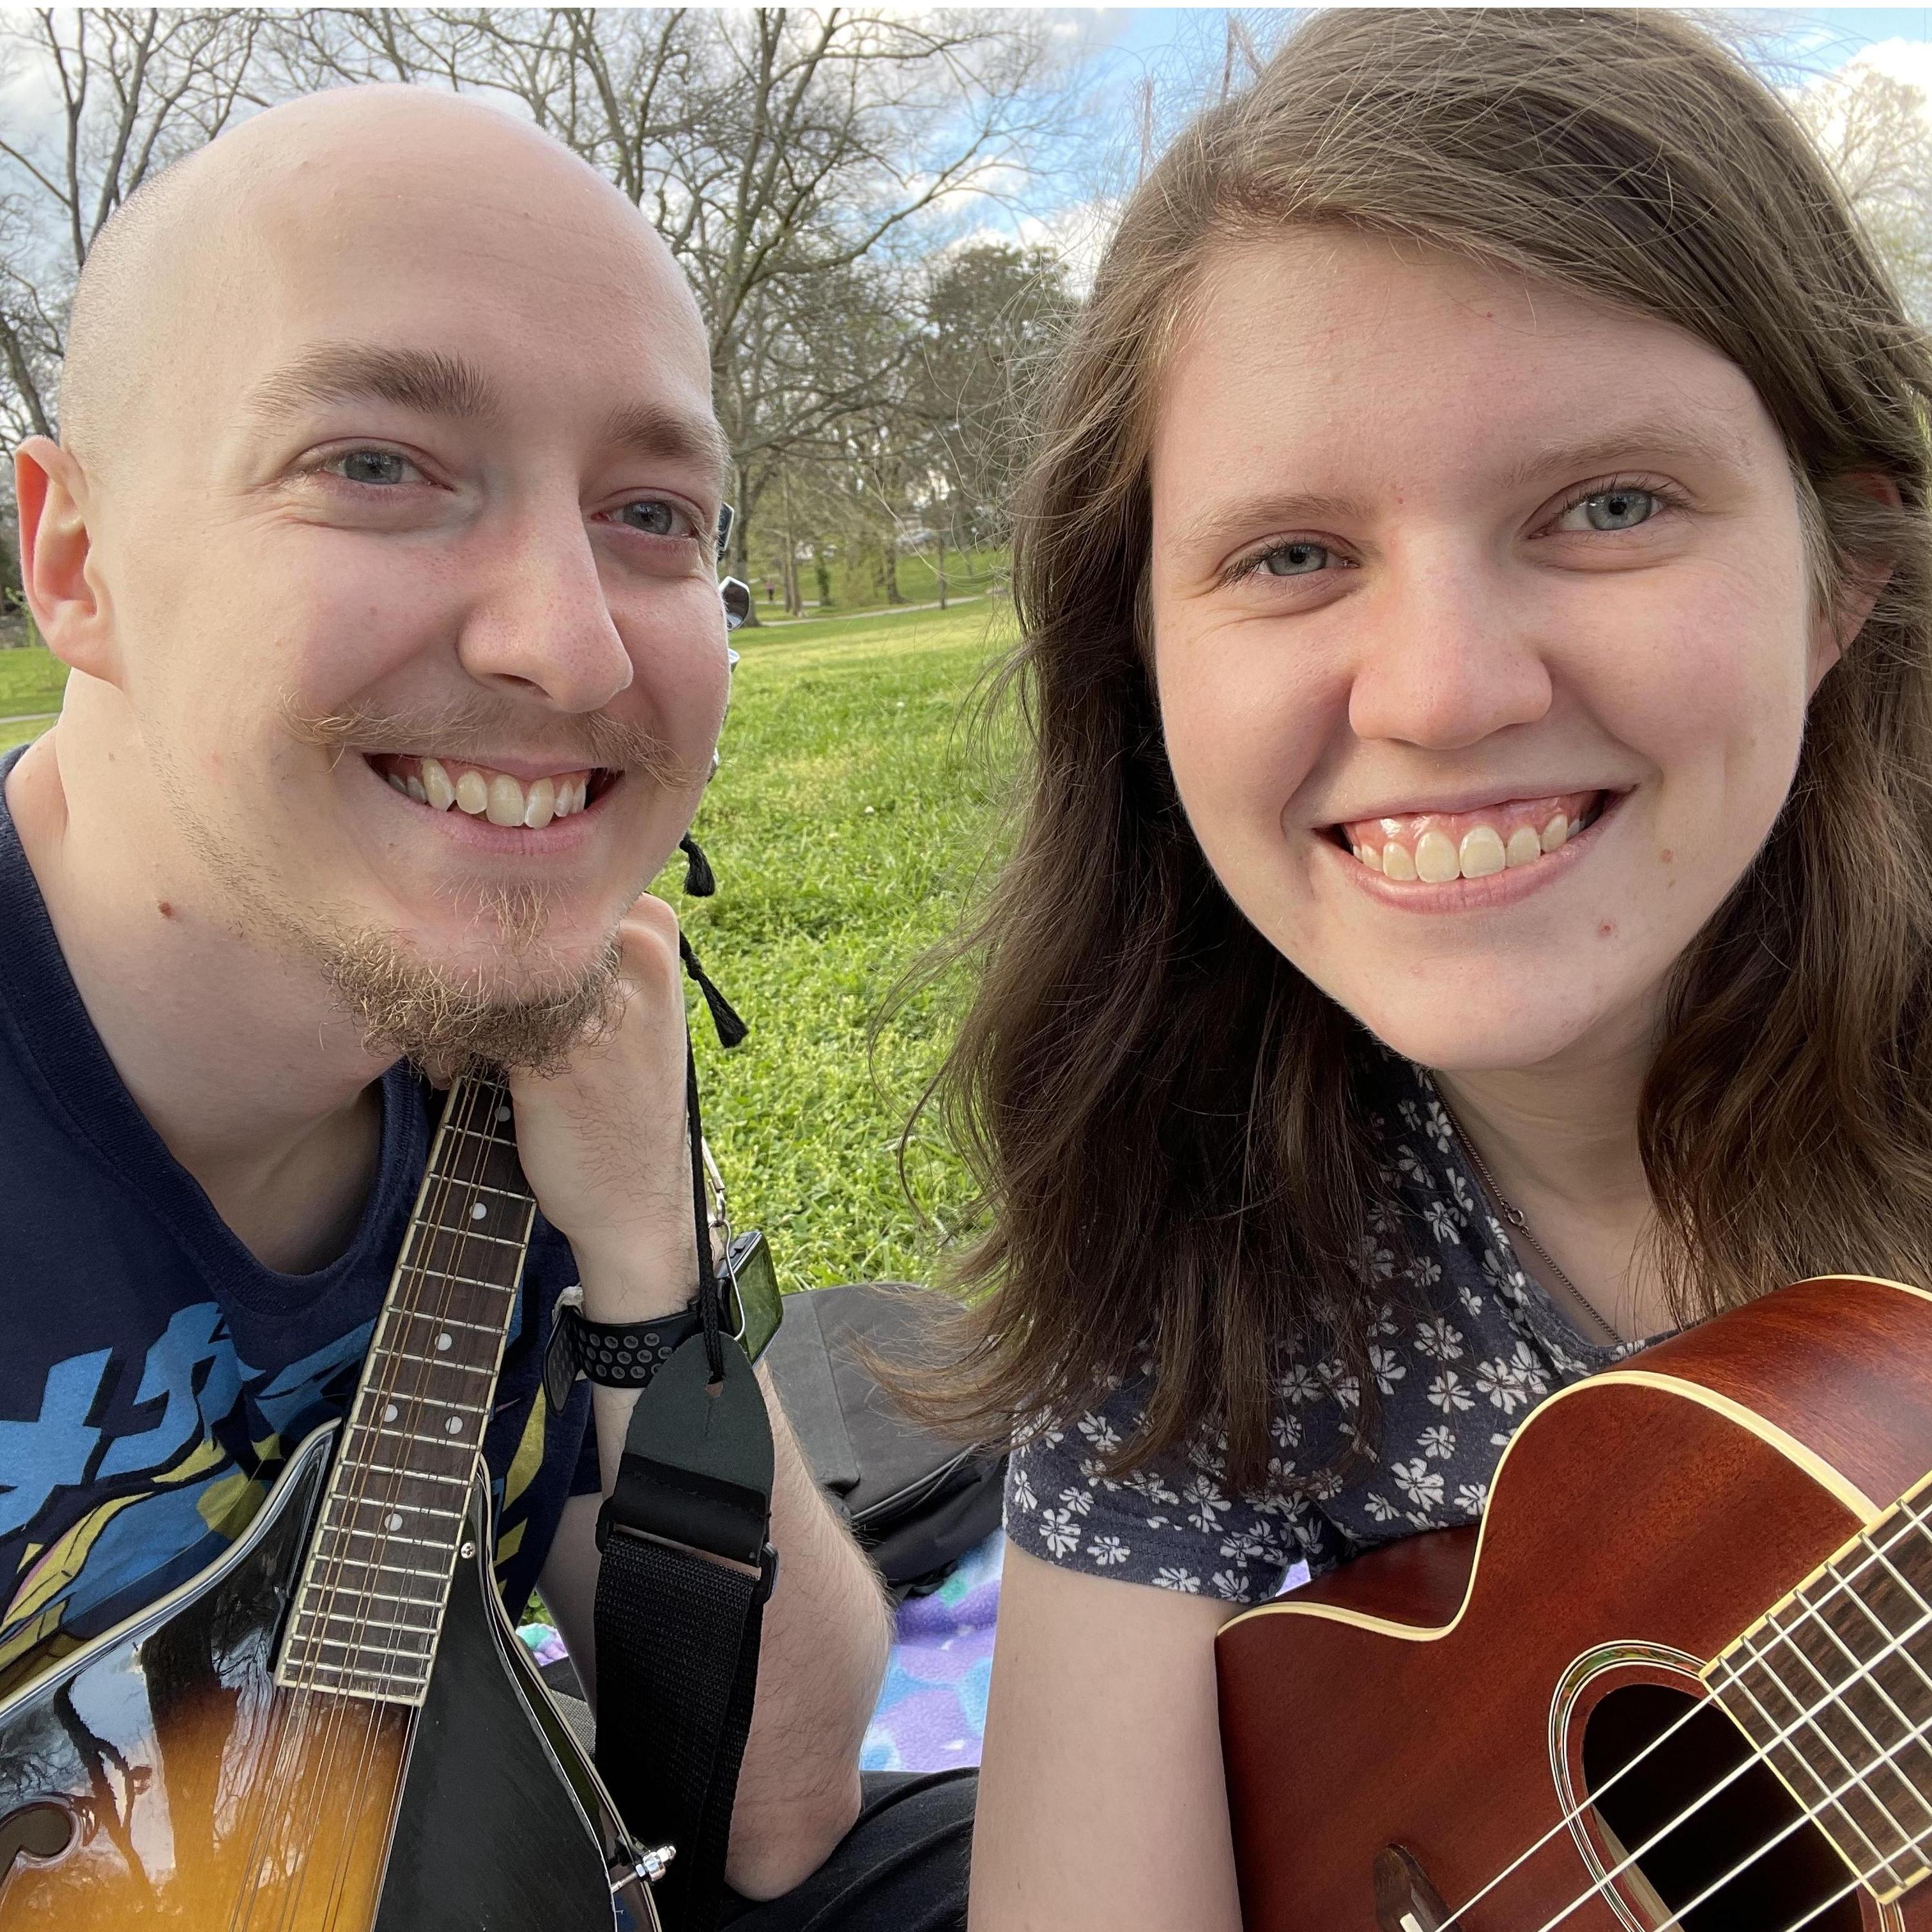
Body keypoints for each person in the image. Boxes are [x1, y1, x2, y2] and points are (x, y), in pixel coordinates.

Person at [906, 11, 1932, 1929]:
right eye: (1292, 554)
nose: (1447, 691)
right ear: (1141, 667)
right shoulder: (1202, 1207)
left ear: (1842, 568)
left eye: (1609, 505)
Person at [2, 86, 969, 1928]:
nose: (573, 643)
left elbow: (767, 1816)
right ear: (75, 560)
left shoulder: (492, 1087)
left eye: (653, 514)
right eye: (379, 464)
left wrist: (647, 1249)